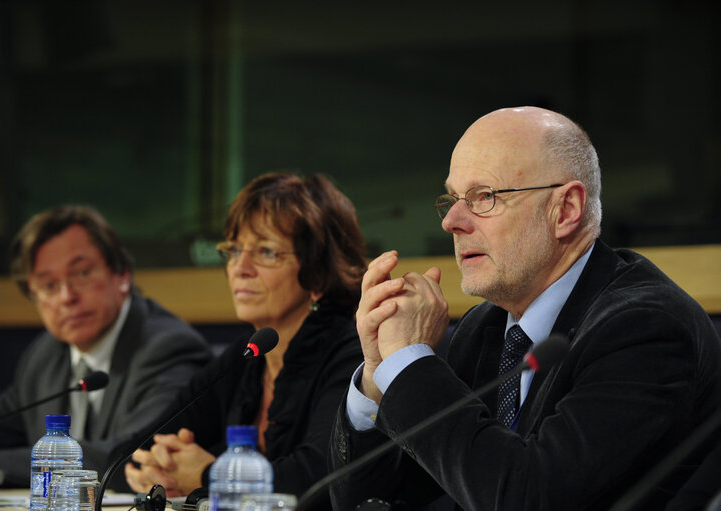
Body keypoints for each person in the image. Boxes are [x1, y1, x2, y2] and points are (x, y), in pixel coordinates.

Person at [328, 107, 721, 510]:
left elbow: (530, 498)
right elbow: (375, 502)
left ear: (566, 210)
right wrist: (379, 376)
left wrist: (410, 364)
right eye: (452, 199)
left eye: (484, 196)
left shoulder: (645, 329)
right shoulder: (484, 328)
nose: (452, 222)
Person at [124, 173, 366, 505]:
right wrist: (155, 466)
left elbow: (319, 476)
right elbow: (146, 444)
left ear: (319, 273)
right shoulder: (247, 354)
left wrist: (211, 474)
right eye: (235, 250)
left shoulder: (351, 354)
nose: (241, 267)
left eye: (266, 251)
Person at [0, 206, 211, 488]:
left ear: (122, 274)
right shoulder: (45, 355)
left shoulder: (168, 348)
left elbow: (131, 454)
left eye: (82, 273)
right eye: (49, 285)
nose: (67, 296)